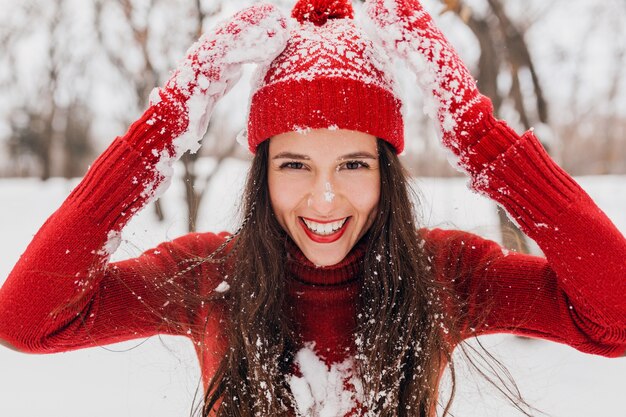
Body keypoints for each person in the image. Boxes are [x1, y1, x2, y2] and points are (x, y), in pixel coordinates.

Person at [0, 0, 624, 416]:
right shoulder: (212, 275)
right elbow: (27, 320)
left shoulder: (446, 273)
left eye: (353, 165)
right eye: (293, 165)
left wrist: (479, 137)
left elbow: (615, 317)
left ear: (387, 174)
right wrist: (165, 127)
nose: (324, 198)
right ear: (262, 175)